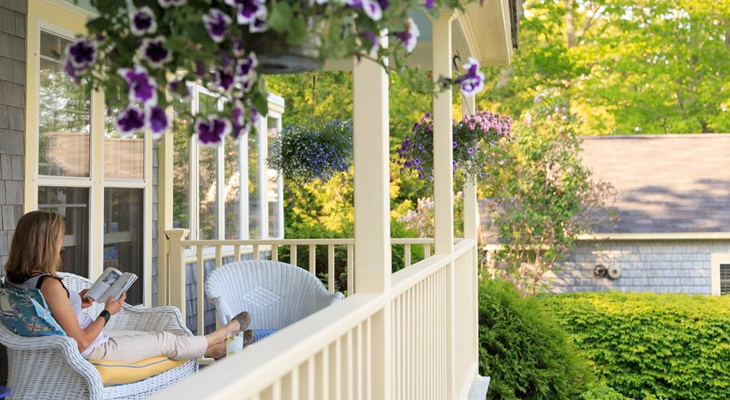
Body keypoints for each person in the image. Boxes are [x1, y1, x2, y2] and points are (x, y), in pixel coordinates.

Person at [3, 210, 252, 363]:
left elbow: (53, 310)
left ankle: (218, 350)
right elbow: (80, 343)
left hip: (89, 340)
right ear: (45, 243)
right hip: (93, 349)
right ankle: (224, 334)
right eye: (59, 238)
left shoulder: (16, 278)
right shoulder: (49, 284)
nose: (61, 244)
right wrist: (108, 311)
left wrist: (78, 300)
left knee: (156, 338)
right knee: (166, 340)